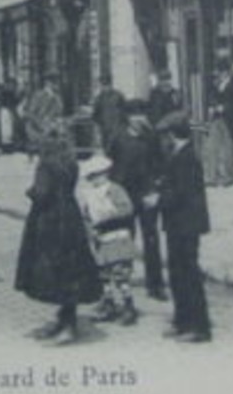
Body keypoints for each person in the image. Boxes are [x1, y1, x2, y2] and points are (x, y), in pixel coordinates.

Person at [13, 128, 102, 344]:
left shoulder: (46, 164)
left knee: (54, 270)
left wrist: (30, 192)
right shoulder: (71, 163)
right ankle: (66, 318)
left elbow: (41, 193)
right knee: (70, 269)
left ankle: (68, 326)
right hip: (70, 216)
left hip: (50, 219)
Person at [156, 112, 212, 343]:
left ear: (173, 135)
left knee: (188, 275)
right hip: (177, 224)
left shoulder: (187, 158)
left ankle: (198, 327)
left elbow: (181, 194)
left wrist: (157, 199)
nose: (163, 140)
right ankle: (182, 321)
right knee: (177, 274)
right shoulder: (179, 155)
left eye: (165, 135)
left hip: (186, 225)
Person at [109, 100, 166, 301]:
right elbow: (112, 163)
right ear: (127, 118)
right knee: (125, 237)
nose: (138, 119)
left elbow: (160, 163)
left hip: (146, 193)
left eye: (142, 114)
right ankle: (123, 280)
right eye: (134, 115)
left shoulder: (151, 138)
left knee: (151, 238)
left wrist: (156, 188)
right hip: (125, 194)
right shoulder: (119, 138)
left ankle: (155, 284)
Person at [78, 153, 139, 326]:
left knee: (120, 274)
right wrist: (90, 229)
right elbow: (86, 215)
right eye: (90, 178)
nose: (93, 181)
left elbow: (127, 208)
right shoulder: (90, 194)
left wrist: (108, 215)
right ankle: (109, 303)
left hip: (117, 237)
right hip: (102, 240)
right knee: (104, 274)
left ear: (105, 174)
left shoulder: (114, 190)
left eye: (96, 176)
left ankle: (128, 306)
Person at [21, 75, 65, 156]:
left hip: (52, 126)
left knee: (62, 132)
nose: (56, 85)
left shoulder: (57, 97)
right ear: (47, 83)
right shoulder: (38, 95)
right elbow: (30, 113)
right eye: (53, 83)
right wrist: (41, 124)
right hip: (38, 127)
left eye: (56, 83)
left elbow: (60, 111)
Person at [90, 76, 126, 158]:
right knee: (109, 150)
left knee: (115, 150)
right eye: (103, 85)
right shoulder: (100, 98)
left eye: (105, 85)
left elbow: (124, 111)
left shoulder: (117, 96)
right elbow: (95, 114)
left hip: (115, 128)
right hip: (108, 129)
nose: (104, 88)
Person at [0, 77, 22, 153]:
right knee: (7, 128)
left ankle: (7, 145)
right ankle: (8, 146)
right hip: (6, 110)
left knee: (8, 129)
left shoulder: (5, 91)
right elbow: (15, 100)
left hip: (6, 110)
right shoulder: (8, 92)